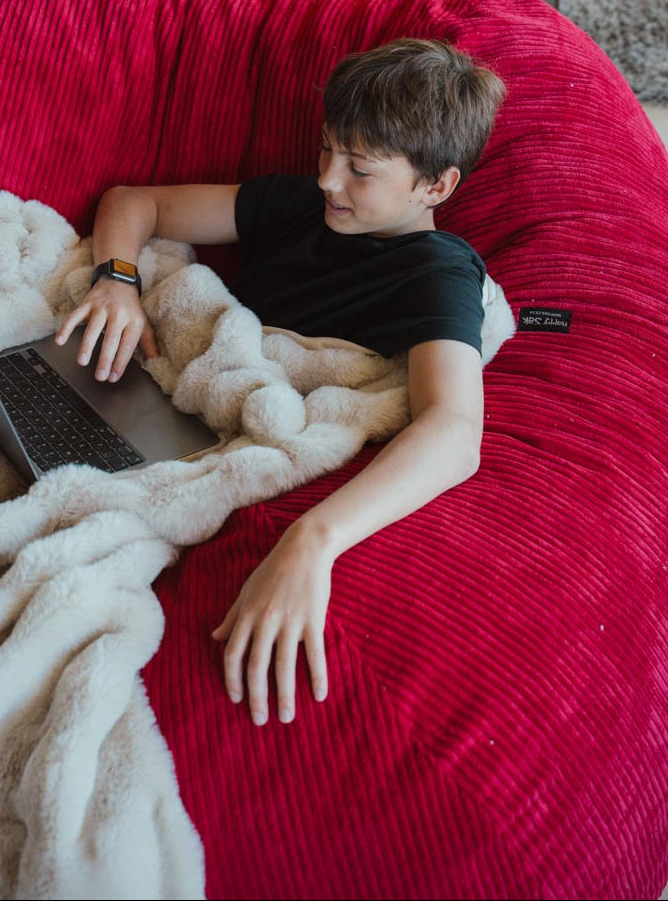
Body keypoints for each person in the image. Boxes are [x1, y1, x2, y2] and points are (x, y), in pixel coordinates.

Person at [56, 38, 506, 727]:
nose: (329, 179)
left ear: (435, 186)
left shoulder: (437, 270)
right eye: (327, 150)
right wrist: (117, 280)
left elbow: (454, 431)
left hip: (223, 443)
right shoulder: (300, 204)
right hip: (165, 398)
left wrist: (312, 540)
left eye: (360, 169)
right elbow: (133, 202)